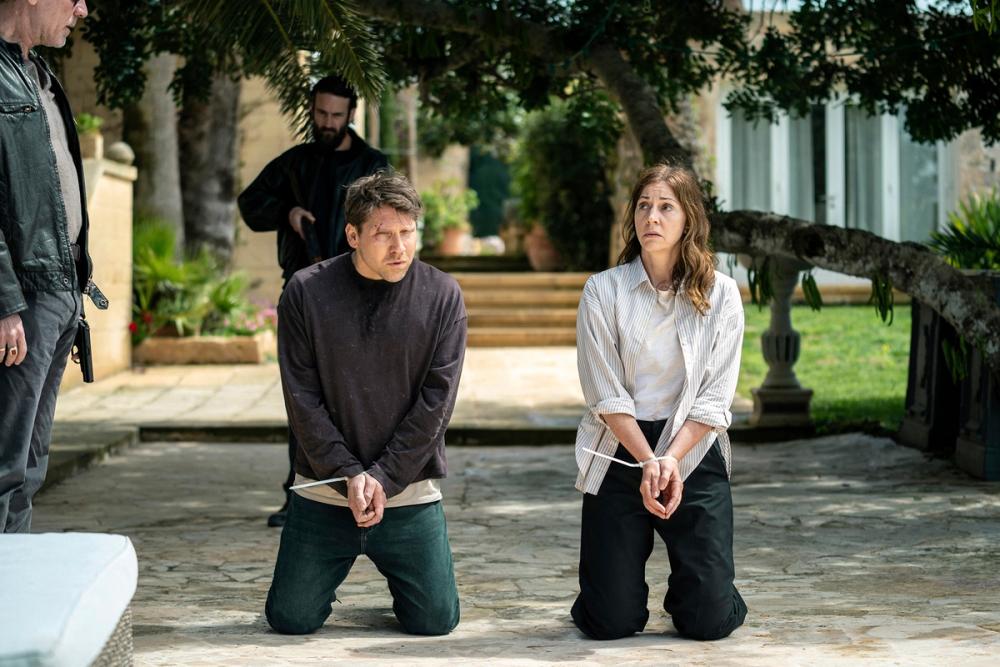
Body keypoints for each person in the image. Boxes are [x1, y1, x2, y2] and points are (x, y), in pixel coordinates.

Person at [265, 170, 466, 636]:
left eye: (407, 232)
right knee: (291, 618)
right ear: (353, 235)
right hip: (324, 489)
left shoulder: (442, 296)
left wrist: (382, 478)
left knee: (436, 621)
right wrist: (349, 475)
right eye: (382, 234)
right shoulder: (305, 292)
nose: (399, 247)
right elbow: (302, 399)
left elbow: (436, 404)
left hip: (408, 491)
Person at [571, 164, 748, 641]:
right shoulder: (602, 290)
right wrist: (648, 461)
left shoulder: (722, 294)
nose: (652, 216)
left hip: (693, 448)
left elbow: (715, 398)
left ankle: (709, 589)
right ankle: (608, 590)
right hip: (620, 449)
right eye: (644, 206)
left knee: (709, 622)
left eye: (666, 207)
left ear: (689, 218)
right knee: (609, 622)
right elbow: (604, 393)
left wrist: (670, 458)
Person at [238, 74, 388, 527]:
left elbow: (392, 219)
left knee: (362, 398)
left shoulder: (373, 164)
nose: (327, 122)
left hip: (363, 296)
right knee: (303, 398)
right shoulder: (295, 163)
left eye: (336, 115)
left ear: (351, 115)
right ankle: (301, 497)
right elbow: (250, 204)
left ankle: (368, 491)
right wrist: (287, 212)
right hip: (302, 293)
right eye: (321, 113)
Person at [0, 0, 101, 534]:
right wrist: (4, 303)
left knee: (31, 465)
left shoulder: (39, 73)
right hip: (23, 299)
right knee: (5, 463)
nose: (82, 9)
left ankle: (15, 570)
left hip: (61, 290)